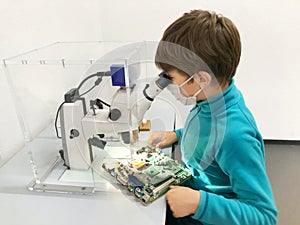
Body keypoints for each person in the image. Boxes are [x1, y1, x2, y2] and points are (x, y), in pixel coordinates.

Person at [148, 9, 278, 225]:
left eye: (171, 78)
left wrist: (200, 203)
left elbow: (264, 217)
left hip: (207, 215)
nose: (168, 84)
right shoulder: (210, 101)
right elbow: (207, 134)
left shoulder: (235, 135)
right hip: (192, 195)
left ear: (201, 78)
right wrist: (177, 135)